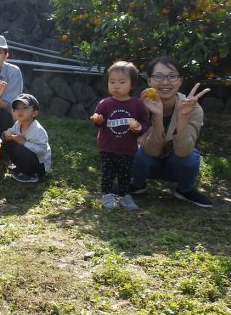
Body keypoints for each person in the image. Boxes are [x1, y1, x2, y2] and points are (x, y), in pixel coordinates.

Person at [130, 56, 212, 208]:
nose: (166, 82)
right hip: (148, 163)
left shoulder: (193, 108)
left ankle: (184, 189)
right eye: (158, 76)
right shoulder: (139, 107)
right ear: (149, 80)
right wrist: (158, 117)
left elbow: (184, 152)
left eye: (172, 76)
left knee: (191, 156)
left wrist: (182, 117)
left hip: (176, 164)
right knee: (136, 151)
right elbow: (150, 152)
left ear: (180, 81)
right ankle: (137, 183)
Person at [90, 61, 150, 210]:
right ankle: (107, 195)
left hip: (128, 147)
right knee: (108, 173)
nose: (116, 85)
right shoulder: (105, 103)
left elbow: (145, 121)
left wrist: (139, 127)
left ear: (132, 84)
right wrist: (98, 119)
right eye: (112, 82)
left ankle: (125, 196)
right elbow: (99, 120)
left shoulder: (137, 104)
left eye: (122, 82)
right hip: (107, 147)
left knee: (125, 174)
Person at [2, 93, 52, 183]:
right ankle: (21, 167)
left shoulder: (37, 130)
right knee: (8, 142)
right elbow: (11, 130)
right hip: (29, 157)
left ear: (34, 113)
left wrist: (24, 143)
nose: (19, 111)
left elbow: (42, 150)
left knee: (21, 148)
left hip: (40, 166)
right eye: (17, 108)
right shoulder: (18, 123)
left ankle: (31, 175)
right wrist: (7, 134)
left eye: (24, 108)